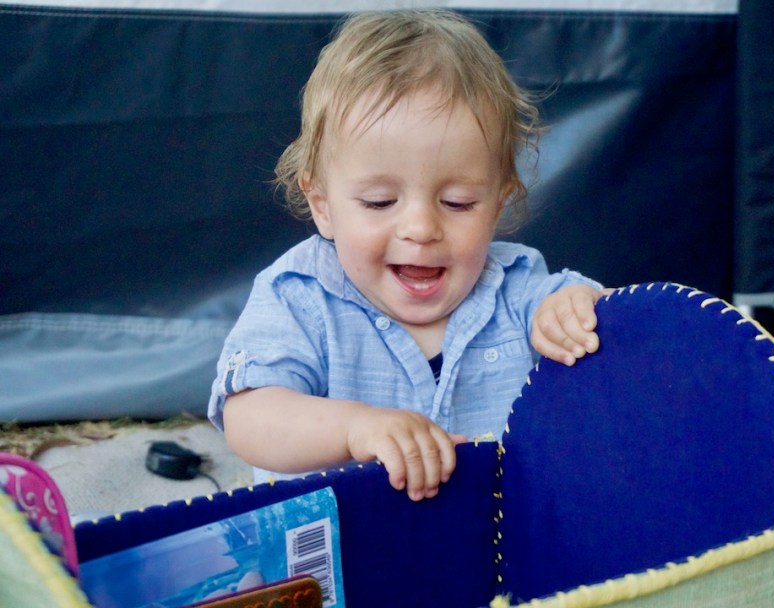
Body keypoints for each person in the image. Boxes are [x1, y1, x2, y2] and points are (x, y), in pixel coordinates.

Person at [208, 9, 607, 502]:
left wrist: (573, 309)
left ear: (498, 204)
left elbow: (596, 318)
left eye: (458, 202)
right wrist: (355, 428)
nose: (421, 229)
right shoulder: (299, 296)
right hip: (345, 542)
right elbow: (249, 418)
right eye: (380, 202)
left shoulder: (517, 286)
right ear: (323, 206)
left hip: (492, 538)